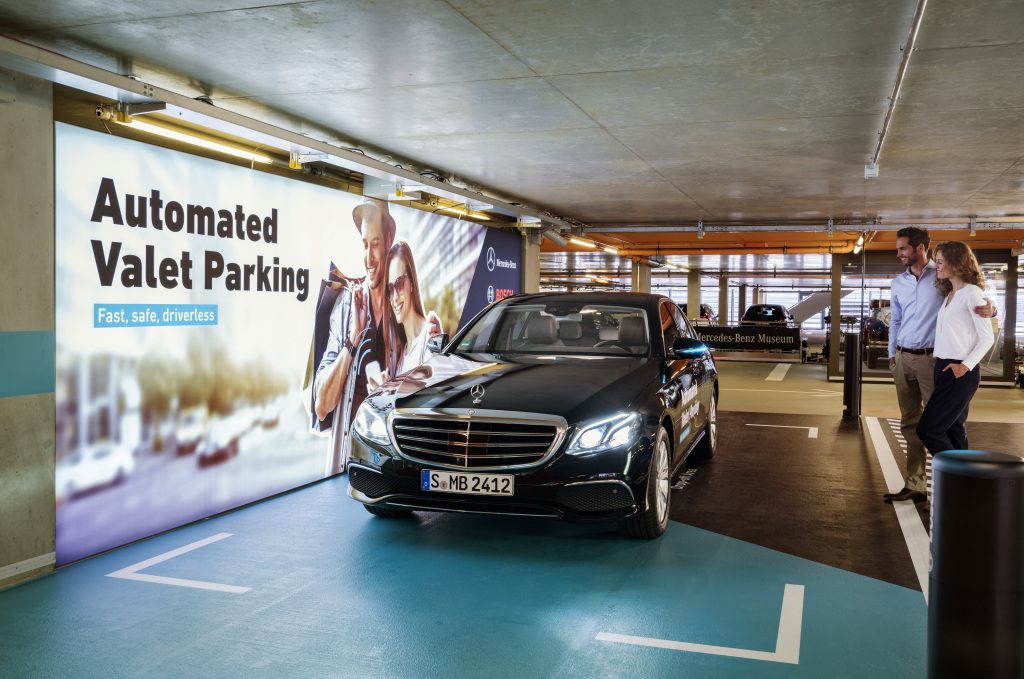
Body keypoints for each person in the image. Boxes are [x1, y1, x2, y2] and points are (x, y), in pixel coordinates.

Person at [884, 227, 993, 504]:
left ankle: (960, 485)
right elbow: (895, 320)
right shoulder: (899, 283)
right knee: (910, 423)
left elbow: (977, 302)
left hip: (934, 359)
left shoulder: (943, 276)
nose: (898, 254)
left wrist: (993, 309)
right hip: (903, 357)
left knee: (944, 425)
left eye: (903, 249)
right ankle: (916, 484)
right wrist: (891, 352)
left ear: (920, 248)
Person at [312, 198, 396, 474]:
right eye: (364, 244)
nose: (369, 257)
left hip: (392, 467)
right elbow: (322, 405)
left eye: (375, 244)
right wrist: (352, 340)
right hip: (347, 466)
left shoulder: (402, 308)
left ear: (388, 241)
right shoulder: (348, 306)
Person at [915, 241, 994, 455]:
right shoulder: (952, 293)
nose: (936, 266)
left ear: (956, 263)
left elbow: (987, 338)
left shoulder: (972, 293)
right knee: (953, 429)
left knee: (928, 430)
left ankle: (955, 475)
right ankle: (965, 484)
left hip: (959, 369)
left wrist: (965, 367)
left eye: (940, 262)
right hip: (943, 366)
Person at [383, 241, 443, 379]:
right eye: (391, 289)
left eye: (399, 284)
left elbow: (433, 396)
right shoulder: (402, 357)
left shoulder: (430, 335)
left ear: (411, 284)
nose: (395, 298)